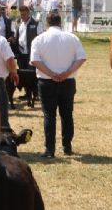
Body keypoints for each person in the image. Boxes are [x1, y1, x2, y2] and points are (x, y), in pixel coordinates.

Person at [30, 12, 86, 158]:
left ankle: (50, 150)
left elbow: (35, 61)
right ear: (60, 22)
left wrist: (51, 74)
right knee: (67, 114)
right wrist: (67, 73)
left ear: (47, 23)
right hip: (67, 81)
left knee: (49, 115)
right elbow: (81, 58)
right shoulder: (72, 38)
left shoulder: (39, 39)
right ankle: (67, 146)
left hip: (46, 81)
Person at [12, 6, 43, 100]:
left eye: (24, 14)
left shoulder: (36, 23)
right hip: (21, 54)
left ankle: (36, 94)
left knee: (33, 74)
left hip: (32, 53)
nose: (22, 16)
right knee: (24, 75)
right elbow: (16, 37)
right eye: (21, 14)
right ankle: (27, 94)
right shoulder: (18, 23)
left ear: (29, 13)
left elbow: (40, 38)